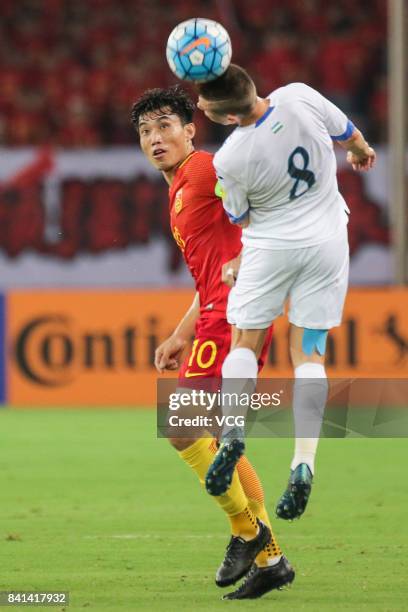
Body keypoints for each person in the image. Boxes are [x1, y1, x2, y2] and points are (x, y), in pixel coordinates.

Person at [130, 86, 294, 600]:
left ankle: (250, 534)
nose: (156, 138)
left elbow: (263, 205)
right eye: (146, 131)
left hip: (236, 314)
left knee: (182, 428)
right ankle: (271, 561)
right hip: (220, 315)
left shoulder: (204, 171)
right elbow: (209, 275)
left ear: (189, 130)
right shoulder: (178, 189)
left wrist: (258, 255)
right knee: (218, 438)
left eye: (165, 126)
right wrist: (183, 332)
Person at [196, 64, 376, 520]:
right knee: (310, 354)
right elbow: (349, 134)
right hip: (328, 245)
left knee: (244, 342)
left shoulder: (230, 158)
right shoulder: (298, 95)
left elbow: (240, 218)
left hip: (271, 250)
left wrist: (241, 259)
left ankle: (233, 431)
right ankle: (303, 463)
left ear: (222, 117)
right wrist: (359, 151)